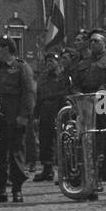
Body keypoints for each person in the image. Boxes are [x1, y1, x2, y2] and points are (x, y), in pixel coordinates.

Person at [71, 29, 106, 200]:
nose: (93, 44)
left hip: (103, 103)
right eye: (91, 41)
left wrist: (98, 93)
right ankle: (91, 184)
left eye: (96, 41)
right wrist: (78, 94)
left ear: (104, 43)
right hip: (87, 105)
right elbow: (76, 84)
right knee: (88, 145)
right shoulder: (81, 64)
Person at [0, 37, 35, 203]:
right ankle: (0, 190)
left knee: (16, 153)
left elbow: (28, 93)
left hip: (15, 116)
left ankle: (17, 189)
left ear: (6, 49)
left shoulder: (21, 67)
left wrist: (24, 115)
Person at [32, 52, 70, 183]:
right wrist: (36, 115)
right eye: (47, 61)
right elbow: (38, 97)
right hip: (45, 111)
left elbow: (65, 94)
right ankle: (47, 169)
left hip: (58, 111)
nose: (49, 63)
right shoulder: (42, 77)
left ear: (58, 62)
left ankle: (64, 171)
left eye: (52, 61)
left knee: (61, 141)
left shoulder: (63, 76)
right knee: (45, 142)